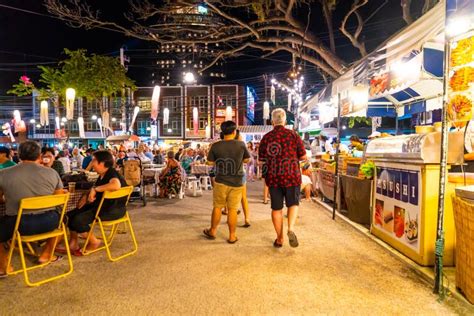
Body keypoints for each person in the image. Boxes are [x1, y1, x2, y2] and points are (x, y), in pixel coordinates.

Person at [0, 141, 65, 275]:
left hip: (18, 225)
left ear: (19, 155)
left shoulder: (4, 173)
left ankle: (5, 266)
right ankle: (46, 254)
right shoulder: (52, 173)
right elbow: (58, 198)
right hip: (50, 221)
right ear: (39, 155)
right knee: (63, 222)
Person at [61, 150, 128, 255]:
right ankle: (73, 243)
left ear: (101, 163)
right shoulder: (103, 174)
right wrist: (86, 194)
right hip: (104, 207)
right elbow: (95, 186)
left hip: (111, 210)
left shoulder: (112, 173)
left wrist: (96, 190)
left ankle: (94, 242)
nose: (92, 163)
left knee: (77, 220)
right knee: (70, 214)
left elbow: (116, 185)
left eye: (94, 161)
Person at [259, 109, 306, 248]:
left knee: (276, 208)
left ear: (272, 121)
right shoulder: (293, 135)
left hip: (274, 178)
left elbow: (261, 160)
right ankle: (290, 229)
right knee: (293, 204)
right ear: (285, 121)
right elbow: (303, 156)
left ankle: (279, 239)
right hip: (292, 176)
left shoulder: (266, 137)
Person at [203, 121, 250, 243]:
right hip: (237, 182)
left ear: (222, 133)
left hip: (220, 181)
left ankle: (213, 231)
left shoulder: (216, 146)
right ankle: (232, 236)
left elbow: (210, 163)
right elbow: (247, 160)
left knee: (218, 207)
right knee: (233, 209)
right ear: (234, 132)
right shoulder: (241, 144)